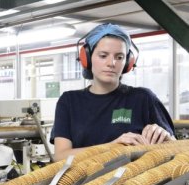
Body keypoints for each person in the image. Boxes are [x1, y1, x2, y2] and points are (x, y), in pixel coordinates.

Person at [50, 23, 176, 161]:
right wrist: (112, 147)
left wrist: (166, 138)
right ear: (87, 58)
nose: (112, 63)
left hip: (134, 182)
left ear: (128, 62)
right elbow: (61, 156)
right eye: (103, 56)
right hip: (84, 182)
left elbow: (177, 150)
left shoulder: (143, 98)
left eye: (119, 57)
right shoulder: (69, 101)